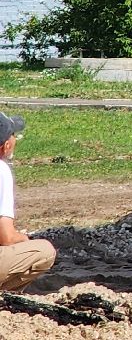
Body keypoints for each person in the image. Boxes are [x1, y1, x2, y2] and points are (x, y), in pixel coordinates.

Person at [0, 110, 56, 293]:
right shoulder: (1, 171)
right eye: (13, 135)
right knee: (44, 251)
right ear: (5, 145)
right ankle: (6, 296)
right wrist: (24, 239)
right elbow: (6, 237)